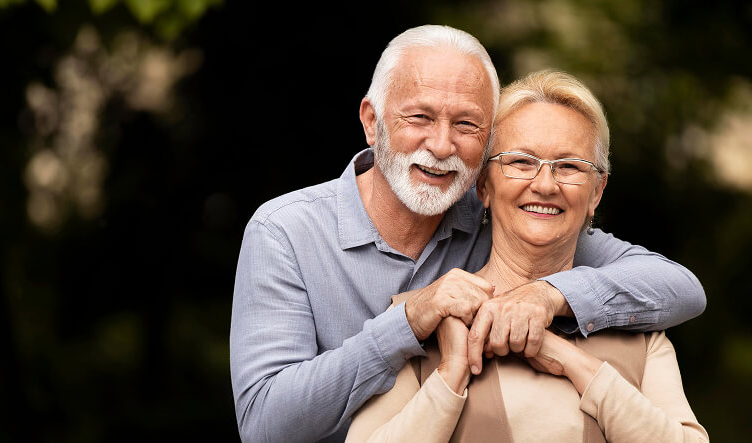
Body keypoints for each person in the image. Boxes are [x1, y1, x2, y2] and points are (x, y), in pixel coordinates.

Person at [231, 25, 706, 442]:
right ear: (372, 122)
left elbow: (680, 288)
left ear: (484, 154)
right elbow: (265, 424)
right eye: (419, 117)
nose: (441, 145)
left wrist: (548, 295)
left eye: (467, 124)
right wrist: (408, 323)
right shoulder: (285, 231)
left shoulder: (501, 217)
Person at [346, 70, 709, 442]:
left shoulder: (641, 335)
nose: (546, 185)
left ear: (596, 192)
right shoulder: (422, 318)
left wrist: (575, 363)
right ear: (484, 185)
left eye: (569, 166)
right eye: (521, 162)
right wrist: (451, 372)